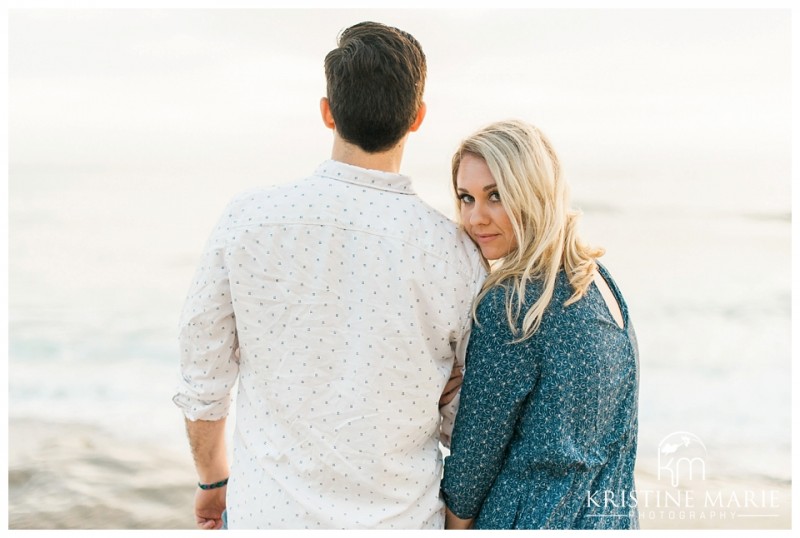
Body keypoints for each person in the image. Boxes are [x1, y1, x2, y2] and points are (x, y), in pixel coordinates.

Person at [173, 21, 485, 530]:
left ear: (327, 112)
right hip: (400, 522)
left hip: (268, 519)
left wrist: (212, 481)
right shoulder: (457, 252)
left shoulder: (248, 219)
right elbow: (466, 420)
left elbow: (202, 374)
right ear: (418, 118)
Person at [440, 120, 639, 529]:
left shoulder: (513, 303)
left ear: (532, 191)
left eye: (496, 195)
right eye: (466, 198)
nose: (476, 217)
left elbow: (472, 466)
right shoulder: (599, 282)